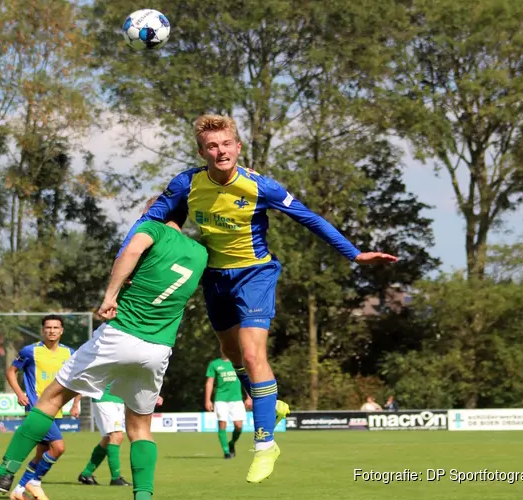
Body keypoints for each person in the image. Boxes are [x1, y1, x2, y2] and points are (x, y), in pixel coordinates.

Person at [118, 114, 398, 482]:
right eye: (212, 146)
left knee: (252, 354)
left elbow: (309, 217)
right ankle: (271, 402)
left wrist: (353, 253)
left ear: (237, 146)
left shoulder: (260, 186)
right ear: (202, 151)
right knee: (233, 354)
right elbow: (151, 221)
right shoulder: (187, 183)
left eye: (226, 144)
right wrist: (126, 261)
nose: (220, 151)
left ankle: (265, 444)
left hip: (255, 274)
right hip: (214, 277)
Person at [0, 211, 208, 500]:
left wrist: (111, 294)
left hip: (122, 332)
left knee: (52, 398)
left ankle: (6, 471)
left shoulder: (153, 229)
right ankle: (143, 498)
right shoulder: (200, 253)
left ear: (161, 211)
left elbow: (131, 250)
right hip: (159, 348)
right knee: (141, 428)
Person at [6, 314, 81, 500]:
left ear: (62, 331)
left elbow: (77, 379)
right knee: (58, 447)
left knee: (41, 453)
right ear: (43, 330)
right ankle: (35, 482)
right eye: (48, 327)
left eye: (56, 328)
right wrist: (20, 393)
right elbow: (11, 372)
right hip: (37, 409)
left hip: (56, 409)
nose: (52, 331)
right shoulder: (30, 351)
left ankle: (18, 491)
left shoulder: (70, 353)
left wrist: (76, 403)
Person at [78, 385, 162, 486]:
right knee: (117, 436)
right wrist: (75, 403)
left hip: (119, 400)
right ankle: (115, 478)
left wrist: (153, 394)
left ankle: (86, 474)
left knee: (107, 439)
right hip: (104, 399)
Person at [205, 352, 251, 459]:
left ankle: (232, 443)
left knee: (239, 426)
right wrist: (208, 400)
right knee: (222, 424)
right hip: (221, 399)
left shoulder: (238, 363)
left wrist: (249, 397)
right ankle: (226, 452)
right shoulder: (214, 364)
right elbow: (209, 382)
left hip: (236, 399)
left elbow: (245, 380)